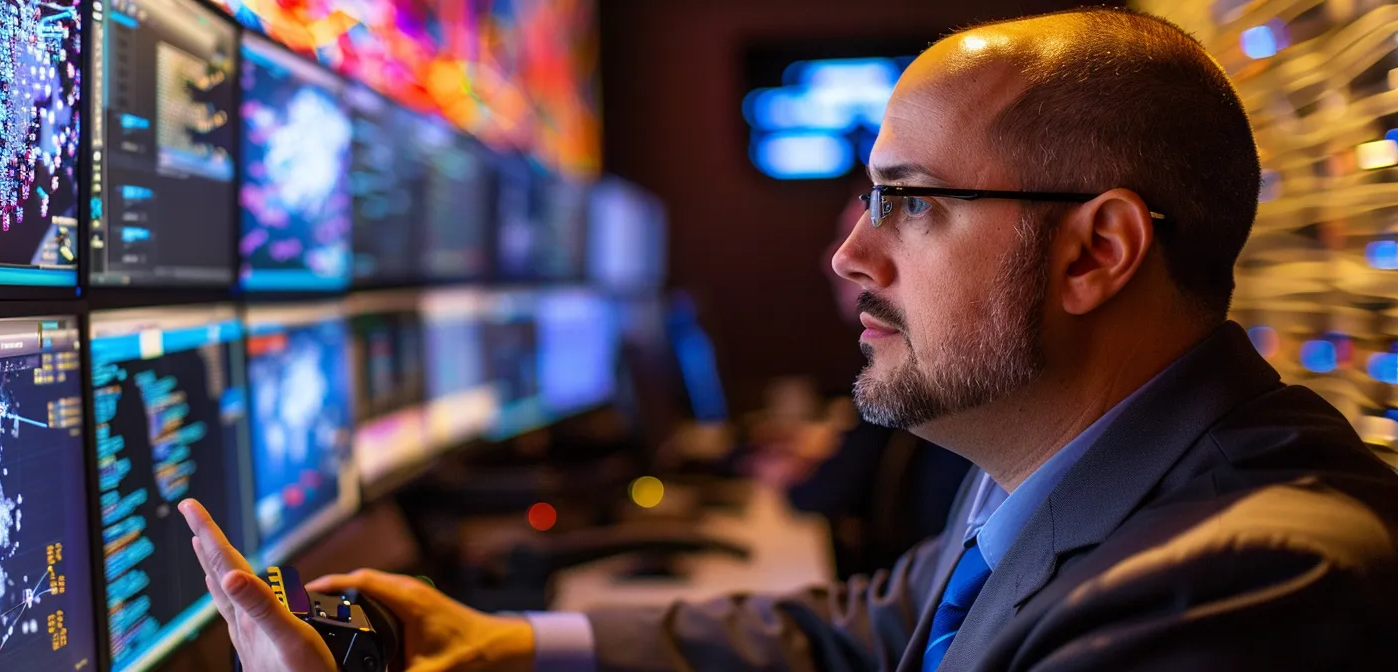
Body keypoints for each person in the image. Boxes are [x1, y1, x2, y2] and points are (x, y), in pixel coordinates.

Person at [182, 7, 1398, 671]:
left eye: (911, 205)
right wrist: (507, 643)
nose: (849, 256)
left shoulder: (1252, 588)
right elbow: (871, 627)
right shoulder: (1070, 476)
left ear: (1096, 251)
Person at [744, 177, 973, 578]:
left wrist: (790, 476)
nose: (840, 259)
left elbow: (829, 490)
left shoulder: (923, 366)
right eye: (844, 235)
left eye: (913, 215)